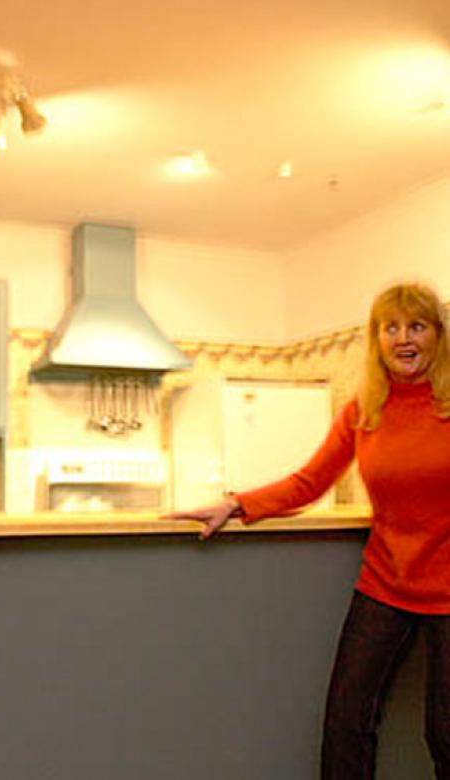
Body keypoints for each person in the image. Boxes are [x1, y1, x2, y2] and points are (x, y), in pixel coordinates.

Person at [166, 281, 450, 779]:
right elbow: (308, 482)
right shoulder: (364, 412)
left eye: (417, 326)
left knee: (445, 734)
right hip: (384, 585)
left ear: (438, 337)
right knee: (346, 723)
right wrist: (235, 504)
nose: (404, 338)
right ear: (377, 338)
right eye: (391, 327)